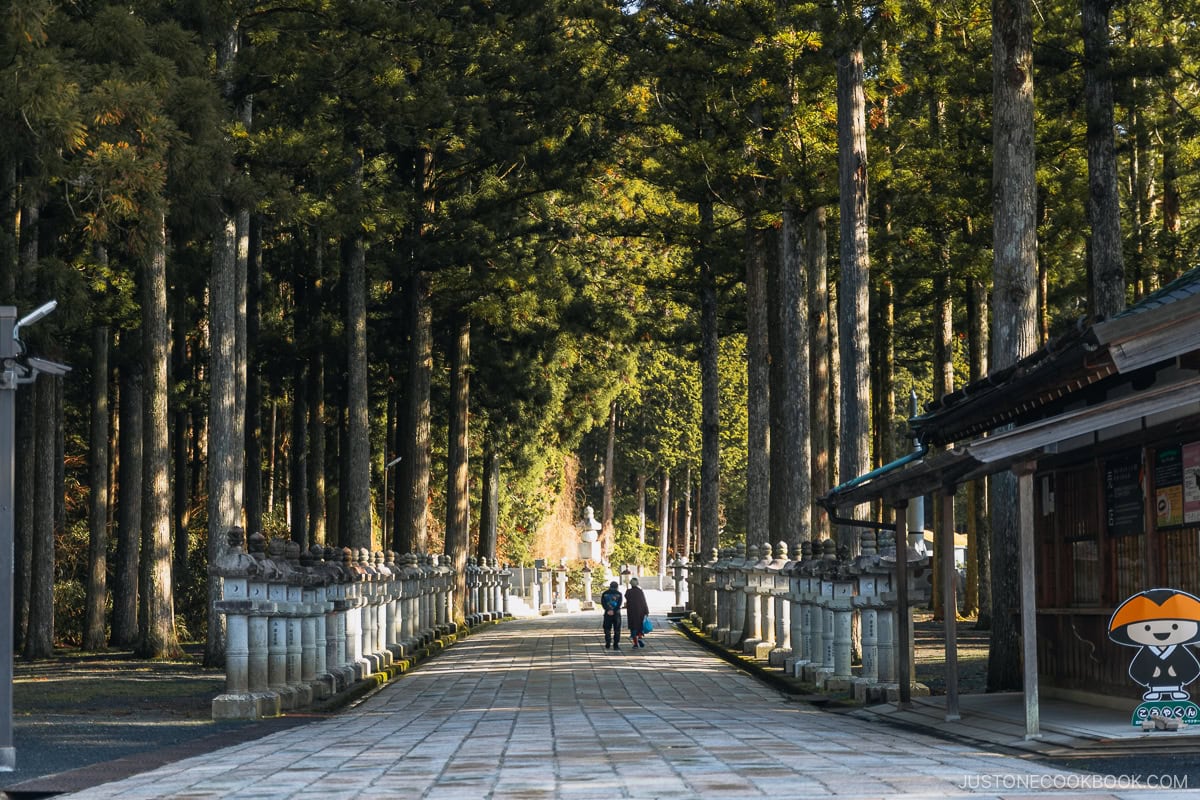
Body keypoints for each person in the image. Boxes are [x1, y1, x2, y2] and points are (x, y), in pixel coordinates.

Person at [625, 577, 650, 648]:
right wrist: (646, 611)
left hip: (631, 612)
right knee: (640, 626)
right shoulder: (640, 591)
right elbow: (644, 601)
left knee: (633, 627)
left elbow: (626, 597)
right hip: (640, 612)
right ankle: (639, 638)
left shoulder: (628, 592)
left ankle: (635, 643)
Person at [600, 581, 623, 649]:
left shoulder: (605, 593)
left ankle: (608, 642)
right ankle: (615, 644)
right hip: (616, 613)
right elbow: (619, 604)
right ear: (616, 587)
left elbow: (603, 603)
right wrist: (614, 610)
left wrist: (608, 610)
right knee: (617, 629)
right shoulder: (619, 594)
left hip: (607, 613)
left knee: (607, 629)